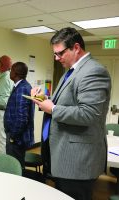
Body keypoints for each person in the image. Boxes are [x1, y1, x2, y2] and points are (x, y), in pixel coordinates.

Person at [31, 27, 111, 200]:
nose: (56, 58)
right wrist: (43, 99)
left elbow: (89, 113)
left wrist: (52, 108)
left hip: (76, 161)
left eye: (60, 54)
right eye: (55, 54)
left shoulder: (93, 71)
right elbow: (66, 102)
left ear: (76, 47)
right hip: (61, 153)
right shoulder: (71, 72)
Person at [4, 62, 35, 170]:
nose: (10, 72)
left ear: (15, 73)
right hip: (15, 136)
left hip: (17, 138)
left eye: (11, 70)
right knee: (15, 164)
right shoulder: (21, 86)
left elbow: (22, 117)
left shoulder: (23, 88)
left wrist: (13, 136)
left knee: (15, 166)